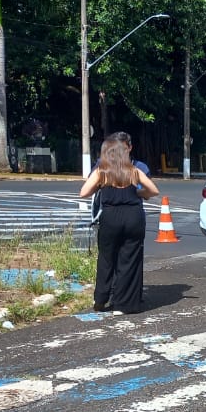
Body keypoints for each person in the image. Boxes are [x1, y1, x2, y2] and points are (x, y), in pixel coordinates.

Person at [79, 132, 159, 313]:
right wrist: (137, 194)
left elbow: (83, 193)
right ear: (126, 151)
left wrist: (101, 187)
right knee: (129, 259)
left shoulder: (102, 171)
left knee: (107, 258)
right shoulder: (135, 170)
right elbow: (153, 191)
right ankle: (123, 305)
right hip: (133, 216)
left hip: (110, 217)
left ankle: (101, 300)